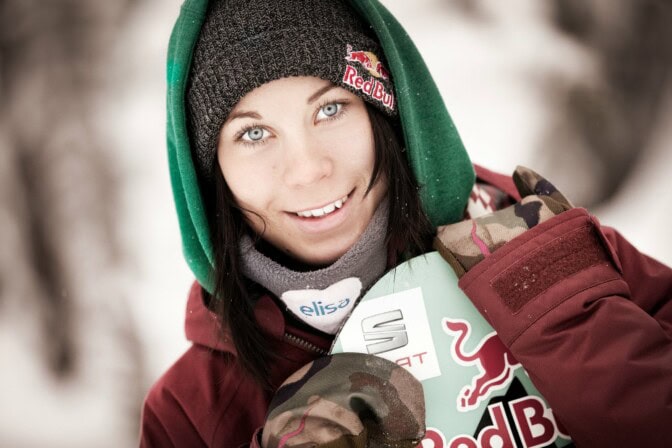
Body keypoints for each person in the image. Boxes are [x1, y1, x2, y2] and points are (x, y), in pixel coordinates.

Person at [140, 0, 672, 447]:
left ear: (386, 116)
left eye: (331, 109)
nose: (308, 169)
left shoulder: (549, 249)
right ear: (211, 174)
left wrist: (574, 327)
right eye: (253, 135)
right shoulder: (190, 411)